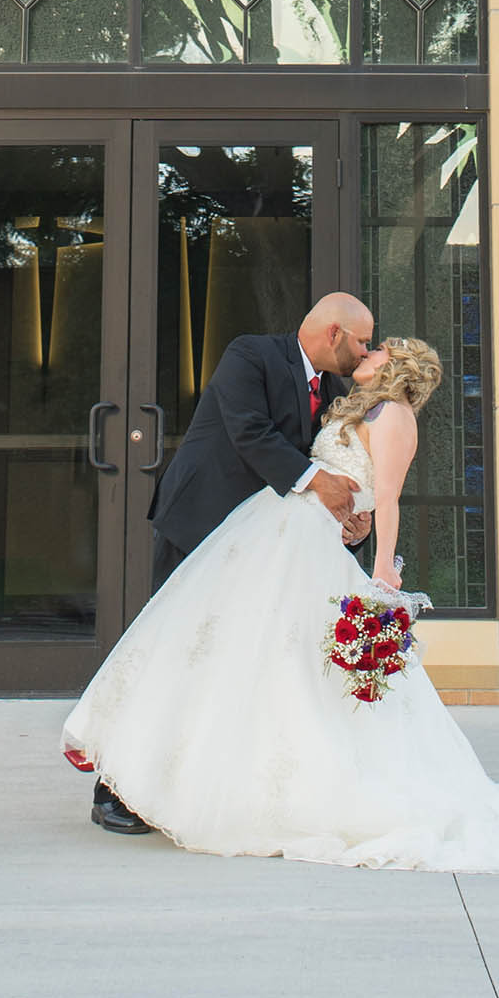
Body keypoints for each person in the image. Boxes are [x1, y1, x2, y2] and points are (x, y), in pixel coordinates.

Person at [65, 334, 499, 874]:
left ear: (398, 367)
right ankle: (155, 776)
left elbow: (386, 495)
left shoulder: (396, 417)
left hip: (305, 546)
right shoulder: (349, 404)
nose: (366, 354)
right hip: (273, 536)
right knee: (234, 651)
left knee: (288, 667)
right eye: (364, 343)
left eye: (378, 350)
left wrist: (382, 571)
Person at [88, 290, 376, 833]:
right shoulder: (251, 356)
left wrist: (352, 525)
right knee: (171, 651)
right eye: (361, 341)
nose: (366, 352)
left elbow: (330, 471)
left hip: (260, 550)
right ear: (333, 333)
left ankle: (182, 785)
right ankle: (114, 791)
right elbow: (251, 432)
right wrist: (320, 483)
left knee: (223, 663)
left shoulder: (335, 393)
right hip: (199, 524)